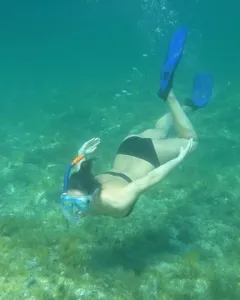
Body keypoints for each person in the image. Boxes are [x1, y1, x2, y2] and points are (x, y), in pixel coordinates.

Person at [60, 27, 213, 224]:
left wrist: (178, 159)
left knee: (191, 141)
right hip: (127, 147)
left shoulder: (118, 201)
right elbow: (79, 170)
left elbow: (149, 179)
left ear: (94, 195)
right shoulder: (78, 185)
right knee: (159, 130)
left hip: (148, 156)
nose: (74, 209)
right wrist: (82, 153)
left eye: (78, 205)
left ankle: (170, 96)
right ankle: (189, 106)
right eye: (68, 202)